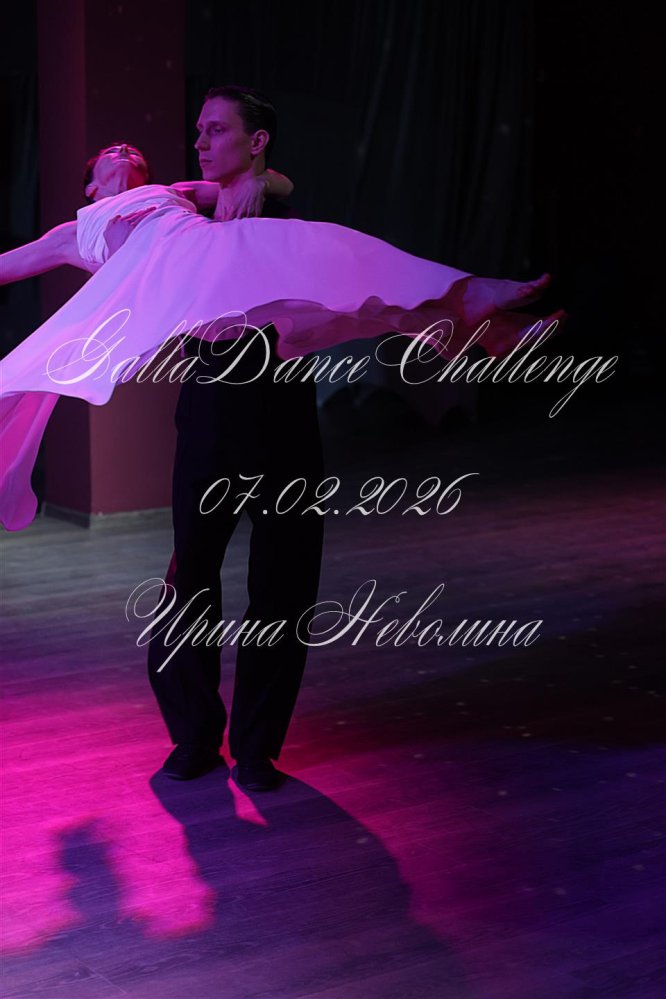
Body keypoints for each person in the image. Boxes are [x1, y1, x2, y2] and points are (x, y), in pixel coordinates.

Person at [0, 87, 557, 791]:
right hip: (212, 403)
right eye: (115, 156)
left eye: (214, 131)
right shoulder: (95, 230)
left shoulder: (183, 203)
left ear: (253, 141)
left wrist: (258, 184)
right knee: (190, 580)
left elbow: (276, 190)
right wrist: (249, 182)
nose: (189, 143)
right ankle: (194, 735)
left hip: (280, 400)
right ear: (90, 185)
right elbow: (13, 263)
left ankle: (259, 746)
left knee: (284, 585)